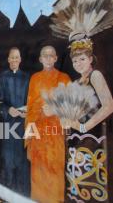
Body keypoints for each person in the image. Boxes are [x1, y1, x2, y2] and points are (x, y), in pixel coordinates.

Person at [60, 38, 112, 202]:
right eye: (75, 60)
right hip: (76, 139)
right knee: (76, 182)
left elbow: (109, 106)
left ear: (90, 59)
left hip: (92, 137)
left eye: (82, 59)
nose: (78, 63)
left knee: (92, 182)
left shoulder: (95, 75)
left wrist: (84, 127)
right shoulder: (76, 82)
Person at [25, 45, 70, 203]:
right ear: (40, 59)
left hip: (55, 134)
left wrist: (55, 109)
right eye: (45, 55)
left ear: (56, 58)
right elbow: (30, 106)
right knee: (38, 174)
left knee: (55, 172)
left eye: (52, 55)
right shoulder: (35, 78)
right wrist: (29, 135)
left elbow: (71, 107)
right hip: (38, 134)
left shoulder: (64, 78)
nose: (49, 58)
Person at [0, 47, 30, 195]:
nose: (14, 60)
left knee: (22, 162)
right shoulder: (2, 77)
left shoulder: (27, 77)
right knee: (7, 160)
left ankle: (22, 194)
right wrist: (8, 110)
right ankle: (7, 194)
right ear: (8, 59)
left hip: (23, 126)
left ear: (20, 59)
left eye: (17, 57)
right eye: (12, 57)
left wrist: (27, 111)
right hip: (7, 126)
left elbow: (32, 100)